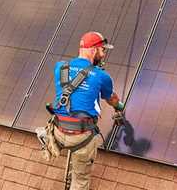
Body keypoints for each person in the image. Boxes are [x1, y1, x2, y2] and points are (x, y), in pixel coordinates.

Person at [37, 31, 125, 190]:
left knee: (59, 117)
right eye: (103, 50)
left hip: (59, 130)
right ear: (93, 50)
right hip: (80, 137)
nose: (104, 55)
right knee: (81, 180)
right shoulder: (101, 76)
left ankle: (49, 140)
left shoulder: (60, 67)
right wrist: (119, 106)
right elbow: (111, 98)